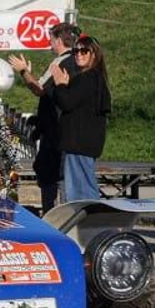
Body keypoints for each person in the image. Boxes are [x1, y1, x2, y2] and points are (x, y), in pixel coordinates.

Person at [8, 23, 74, 210]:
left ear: (59, 40)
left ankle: (52, 214)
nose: (49, 43)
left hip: (54, 129)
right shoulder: (75, 61)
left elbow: (39, 89)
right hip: (63, 128)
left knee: (50, 174)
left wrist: (23, 71)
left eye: (51, 39)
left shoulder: (60, 62)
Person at [50, 35, 112, 202]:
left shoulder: (87, 78)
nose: (78, 54)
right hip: (84, 143)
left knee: (80, 193)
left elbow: (67, 103)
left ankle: (87, 224)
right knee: (83, 187)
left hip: (78, 143)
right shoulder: (95, 78)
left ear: (94, 54)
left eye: (84, 51)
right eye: (75, 51)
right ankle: (88, 223)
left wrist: (61, 85)